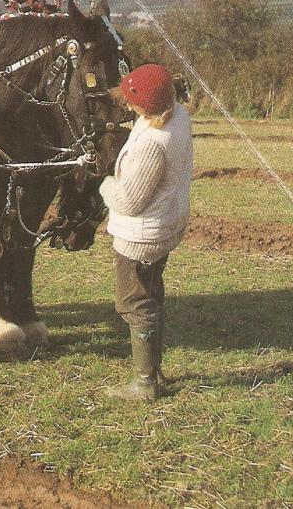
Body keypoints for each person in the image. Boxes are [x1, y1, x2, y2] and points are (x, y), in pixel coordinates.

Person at [99, 64, 193, 401]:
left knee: (134, 302)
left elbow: (128, 200)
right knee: (152, 295)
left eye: (131, 100)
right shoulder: (178, 115)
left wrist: (105, 180)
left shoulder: (154, 142)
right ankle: (154, 371)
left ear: (147, 105)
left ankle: (144, 384)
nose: (127, 105)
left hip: (140, 236)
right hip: (164, 226)